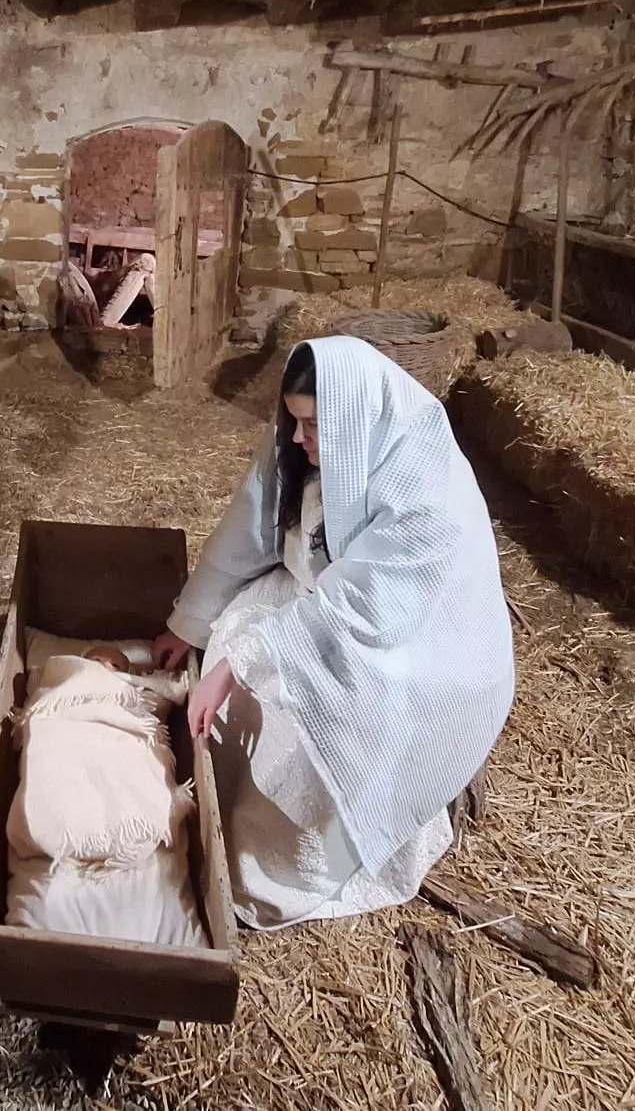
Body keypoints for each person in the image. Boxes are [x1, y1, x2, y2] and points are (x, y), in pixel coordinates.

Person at [153, 336, 514, 928]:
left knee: (298, 725)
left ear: (353, 419)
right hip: (320, 606)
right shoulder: (310, 450)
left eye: (314, 425)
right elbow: (249, 528)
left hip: (407, 652)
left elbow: (368, 606)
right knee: (233, 628)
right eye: (294, 422)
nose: (299, 439)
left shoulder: (427, 490)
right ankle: (224, 800)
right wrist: (191, 624)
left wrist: (238, 665)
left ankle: (288, 868)